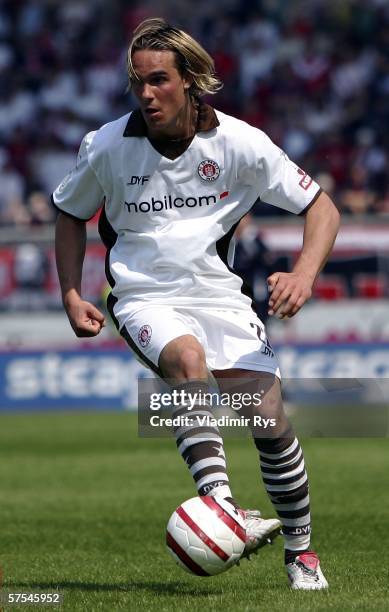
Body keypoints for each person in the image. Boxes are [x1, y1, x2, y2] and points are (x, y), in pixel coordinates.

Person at [53, 18, 340, 589]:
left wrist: (304, 274)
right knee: (187, 362)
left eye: (158, 80)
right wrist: (70, 292)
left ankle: (301, 554)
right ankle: (223, 508)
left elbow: (321, 207)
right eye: (137, 83)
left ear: (189, 79)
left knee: (269, 422)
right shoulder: (107, 145)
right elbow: (69, 211)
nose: (146, 94)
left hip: (220, 296)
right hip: (142, 295)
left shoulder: (241, 143)